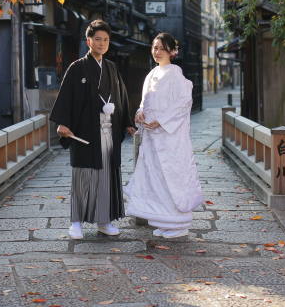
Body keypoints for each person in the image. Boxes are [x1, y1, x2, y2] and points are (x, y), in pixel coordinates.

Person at [50, 20, 136, 239]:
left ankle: (104, 220)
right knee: (83, 176)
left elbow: (122, 96)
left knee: (107, 175)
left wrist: (127, 121)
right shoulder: (77, 67)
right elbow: (66, 97)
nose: (102, 43)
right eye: (97, 39)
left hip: (108, 131)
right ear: (88, 41)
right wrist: (62, 122)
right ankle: (76, 222)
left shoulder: (112, 68)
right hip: (85, 131)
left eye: (106, 39)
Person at [124, 33, 204, 238]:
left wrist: (161, 120)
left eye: (161, 48)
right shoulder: (151, 75)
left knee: (173, 177)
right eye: (154, 47)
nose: (156, 52)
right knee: (157, 179)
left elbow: (184, 102)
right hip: (152, 137)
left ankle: (179, 224)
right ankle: (165, 221)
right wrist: (140, 112)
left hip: (170, 138)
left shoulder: (175, 74)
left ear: (172, 52)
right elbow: (145, 102)